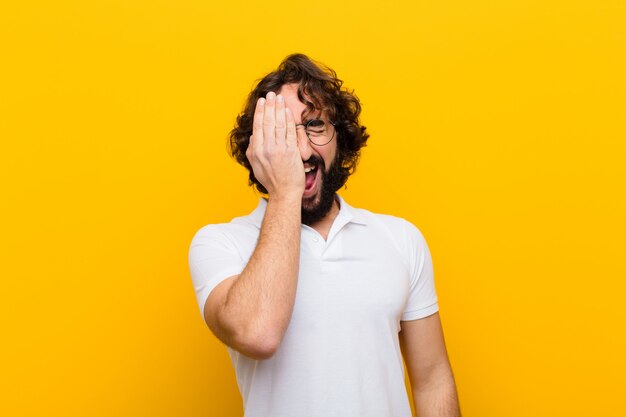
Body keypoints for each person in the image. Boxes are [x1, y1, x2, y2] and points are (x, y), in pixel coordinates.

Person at [189, 53, 461, 417]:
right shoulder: (219, 244)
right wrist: (286, 189)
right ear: (258, 150)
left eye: (314, 124)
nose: (301, 150)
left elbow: (432, 379)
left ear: (340, 137)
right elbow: (259, 333)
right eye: (282, 133)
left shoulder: (401, 239)